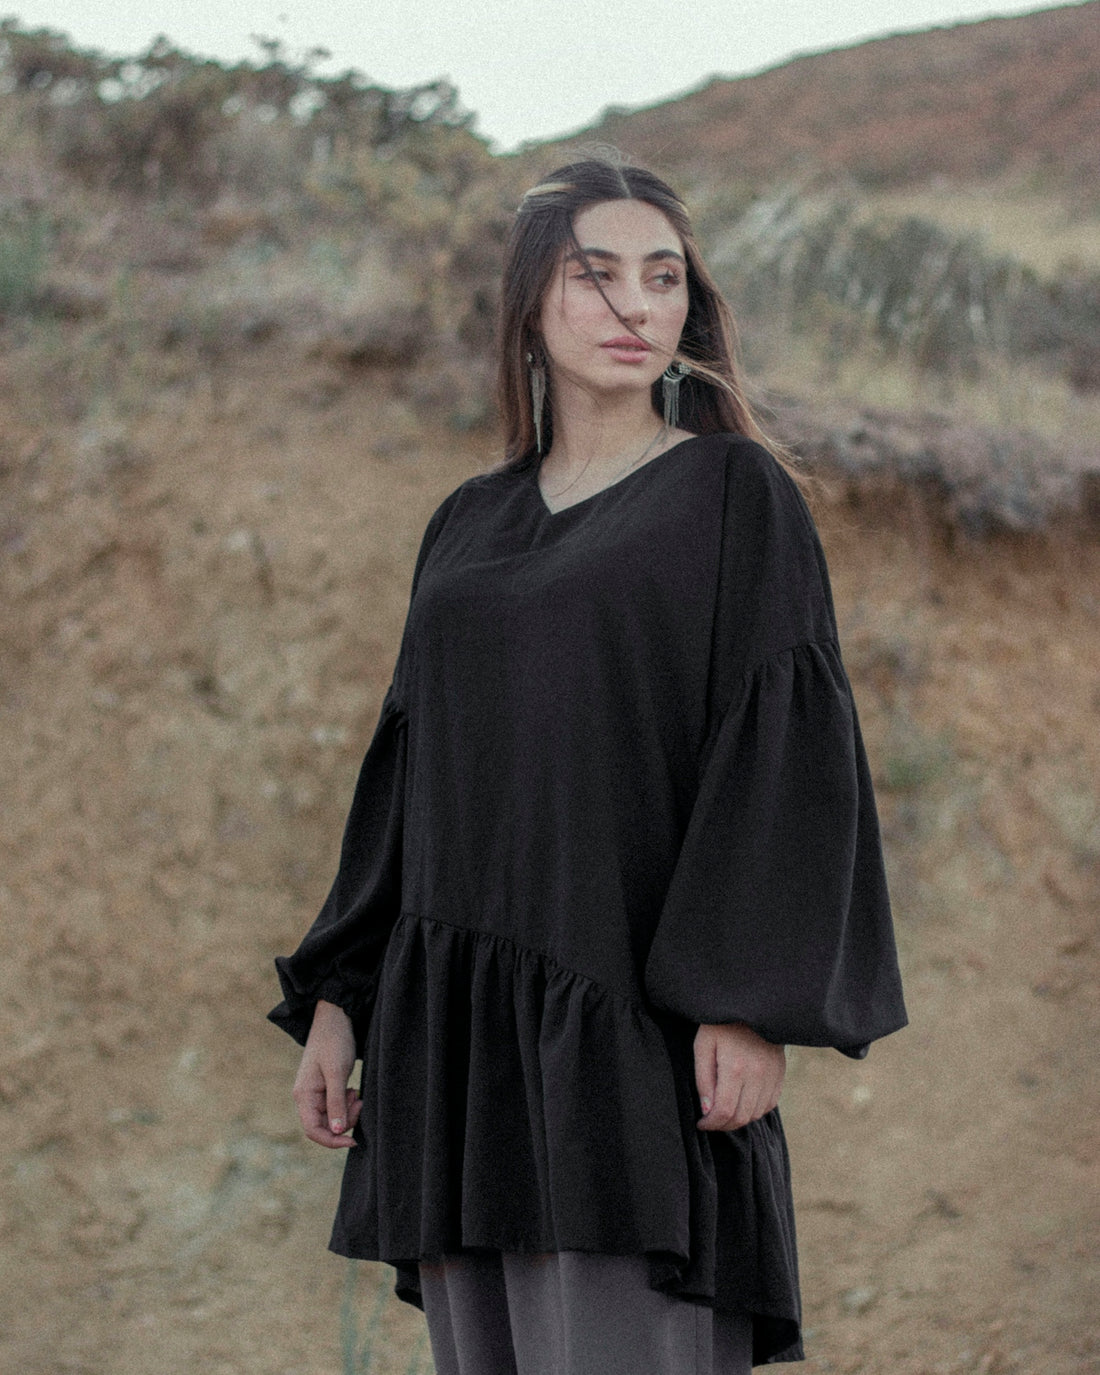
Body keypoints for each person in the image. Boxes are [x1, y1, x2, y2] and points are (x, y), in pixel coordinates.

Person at [269, 157, 907, 1374]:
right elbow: (410, 769)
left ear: (687, 309)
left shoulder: (731, 493)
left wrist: (747, 996)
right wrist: (342, 998)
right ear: (529, 306)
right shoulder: (467, 519)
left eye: (660, 279)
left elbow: (780, 756)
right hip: (458, 1049)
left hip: (628, 1041)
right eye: (593, 275)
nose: (632, 306)